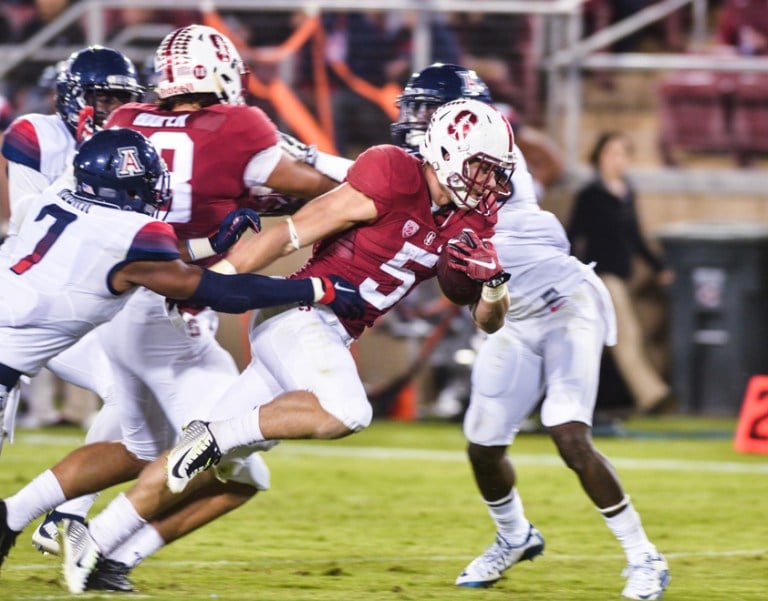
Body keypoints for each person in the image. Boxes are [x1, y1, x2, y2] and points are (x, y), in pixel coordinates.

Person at [51, 96, 517, 594]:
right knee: (346, 411)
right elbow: (288, 236)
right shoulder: (391, 174)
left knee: (238, 478)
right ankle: (214, 434)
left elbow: (487, 322)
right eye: (482, 169)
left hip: (329, 335)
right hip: (301, 313)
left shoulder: (474, 220)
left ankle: (101, 547)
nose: (490, 184)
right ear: (446, 151)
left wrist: (494, 287)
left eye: (497, 173)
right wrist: (211, 285)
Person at [0, 23, 356, 591]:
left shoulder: (121, 128)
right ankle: (102, 550)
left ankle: (19, 517)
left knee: (141, 447)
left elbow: (142, 233)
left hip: (122, 306)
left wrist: (214, 235)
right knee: (240, 462)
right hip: (170, 315)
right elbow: (304, 190)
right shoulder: (237, 126)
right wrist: (311, 284)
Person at [388, 64, 670, 600]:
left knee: (567, 431)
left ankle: (644, 557)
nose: (414, 119)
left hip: (564, 303)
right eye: (416, 108)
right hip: (512, 315)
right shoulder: (436, 164)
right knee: (482, 445)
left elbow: (443, 210)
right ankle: (515, 536)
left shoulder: (491, 159)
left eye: (427, 109)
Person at [567, 131, 675, 415]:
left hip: (624, 274)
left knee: (637, 329)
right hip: (602, 275)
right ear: (599, 158)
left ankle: (624, 394)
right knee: (627, 333)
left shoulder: (626, 192)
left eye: (623, 154)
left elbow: (635, 237)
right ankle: (651, 395)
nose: (618, 160)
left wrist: (659, 267)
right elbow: (573, 234)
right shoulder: (590, 195)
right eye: (612, 153)